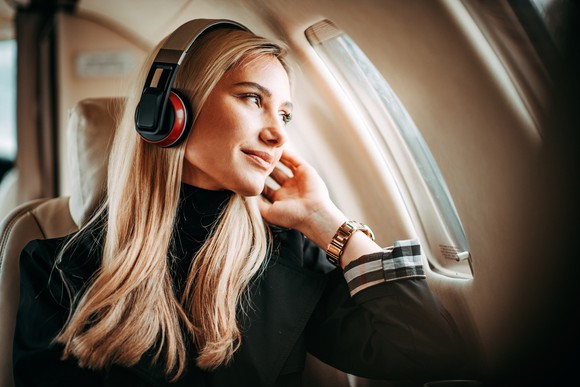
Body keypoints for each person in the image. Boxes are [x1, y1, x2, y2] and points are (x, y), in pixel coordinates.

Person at [13, 19, 466, 387]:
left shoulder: (292, 254)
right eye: (254, 99)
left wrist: (331, 225)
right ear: (168, 111)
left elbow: (428, 351)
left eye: (285, 114)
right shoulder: (57, 269)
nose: (278, 133)